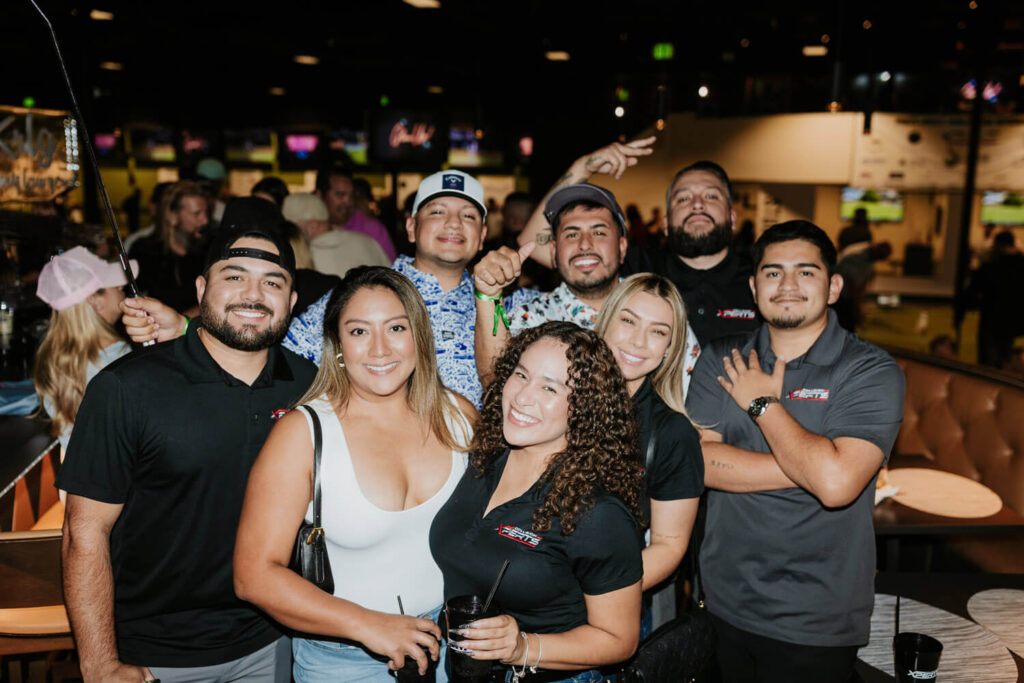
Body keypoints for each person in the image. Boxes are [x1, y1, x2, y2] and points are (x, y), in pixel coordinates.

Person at [58, 222, 314, 683]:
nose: (253, 294)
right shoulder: (125, 388)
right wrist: (99, 663)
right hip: (153, 655)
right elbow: (84, 532)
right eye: (234, 276)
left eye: (272, 282)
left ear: (291, 302)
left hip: (274, 642)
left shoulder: (313, 386)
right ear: (202, 288)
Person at [686, 220, 905, 683]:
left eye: (806, 272)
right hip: (722, 600)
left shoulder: (870, 371)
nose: (787, 285)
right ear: (753, 285)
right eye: (772, 273)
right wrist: (816, 463)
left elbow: (836, 487)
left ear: (834, 287)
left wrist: (762, 404)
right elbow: (697, 462)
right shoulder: (720, 357)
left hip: (817, 617)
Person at [235, 266, 476, 682]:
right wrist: (369, 624)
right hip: (345, 658)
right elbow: (253, 575)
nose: (380, 349)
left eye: (396, 327)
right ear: (339, 345)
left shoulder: (459, 417)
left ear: (419, 335)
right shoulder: (303, 433)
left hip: (450, 648)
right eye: (360, 331)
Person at [121, 171, 539, 410]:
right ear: (411, 227)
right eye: (437, 212)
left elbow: (503, 383)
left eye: (468, 215)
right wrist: (188, 329)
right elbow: (275, 352)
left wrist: (490, 296)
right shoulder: (364, 294)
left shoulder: (508, 302)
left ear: (483, 234)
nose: (453, 224)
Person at [430, 322, 643, 682]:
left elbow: (620, 640)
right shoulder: (485, 459)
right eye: (521, 375)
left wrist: (522, 647)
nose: (523, 397)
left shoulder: (596, 513)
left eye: (550, 387)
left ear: (584, 408)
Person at [517, 140, 758, 346]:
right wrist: (582, 167)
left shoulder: (760, 282)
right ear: (664, 222)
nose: (697, 204)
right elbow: (531, 244)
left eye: (711, 196)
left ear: (733, 217)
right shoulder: (637, 269)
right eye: (683, 198)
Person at [473, 183, 699, 391]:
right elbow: (496, 386)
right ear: (553, 251)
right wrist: (488, 294)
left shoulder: (660, 314)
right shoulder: (530, 319)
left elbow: (692, 402)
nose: (584, 244)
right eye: (572, 234)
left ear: (622, 247)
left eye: (599, 232)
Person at [593, 273, 702, 632]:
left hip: (609, 609)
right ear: (604, 321)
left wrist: (590, 595)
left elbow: (668, 547)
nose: (638, 341)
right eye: (628, 321)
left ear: (671, 348)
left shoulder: (671, 433)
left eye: (658, 331)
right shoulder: (554, 397)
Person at [33, 246, 137, 456]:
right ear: (95, 301)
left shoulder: (50, 359)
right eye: (113, 284)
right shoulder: (119, 356)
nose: (122, 286)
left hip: (84, 481)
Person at [129, 179, 210, 315]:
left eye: (206, 212)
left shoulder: (207, 250)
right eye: (196, 214)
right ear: (173, 216)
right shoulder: (145, 251)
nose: (205, 220)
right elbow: (134, 301)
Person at [955, 230, 1024, 369]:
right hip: (1014, 321)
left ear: (998, 245)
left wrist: (960, 313)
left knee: (988, 364)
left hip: (992, 320)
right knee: (1006, 359)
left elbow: (972, 292)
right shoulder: (1020, 265)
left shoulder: (991, 267)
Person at [282, 192, 390, 278]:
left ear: (312, 227)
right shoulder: (366, 241)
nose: (290, 234)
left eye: (292, 228)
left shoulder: (305, 257)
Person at [316, 167, 397, 261]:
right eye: (340, 195)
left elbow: (391, 271)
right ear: (319, 195)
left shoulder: (372, 229)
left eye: (351, 196)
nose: (348, 202)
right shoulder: (309, 228)